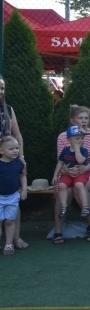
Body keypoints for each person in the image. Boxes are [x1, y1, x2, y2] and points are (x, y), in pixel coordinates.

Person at [52, 105, 90, 244]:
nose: (84, 120)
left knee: (79, 188)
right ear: (72, 120)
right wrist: (66, 171)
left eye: (86, 118)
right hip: (69, 171)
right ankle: (58, 231)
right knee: (63, 189)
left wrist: (85, 168)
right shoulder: (63, 137)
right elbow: (61, 160)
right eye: (81, 118)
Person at [0, 77, 28, 251]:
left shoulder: (8, 110)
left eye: (2, 88)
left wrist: (20, 157)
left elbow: (17, 135)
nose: (0, 91)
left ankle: (15, 238)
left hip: (10, 159)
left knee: (13, 198)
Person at [52, 125, 90, 220]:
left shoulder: (84, 150)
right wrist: (55, 175)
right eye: (77, 138)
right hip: (68, 174)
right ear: (69, 140)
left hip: (80, 174)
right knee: (61, 185)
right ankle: (64, 207)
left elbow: (80, 161)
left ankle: (85, 207)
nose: (80, 140)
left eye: (82, 138)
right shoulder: (65, 150)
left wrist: (77, 149)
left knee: (79, 185)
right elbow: (60, 163)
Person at [0, 136, 26, 255]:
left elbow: (22, 176)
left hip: (13, 197)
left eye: (17, 148)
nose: (15, 151)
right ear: (1, 150)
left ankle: (9, 244)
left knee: (10, 221)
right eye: (11, 149)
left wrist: (24, 190)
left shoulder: (19, 163)